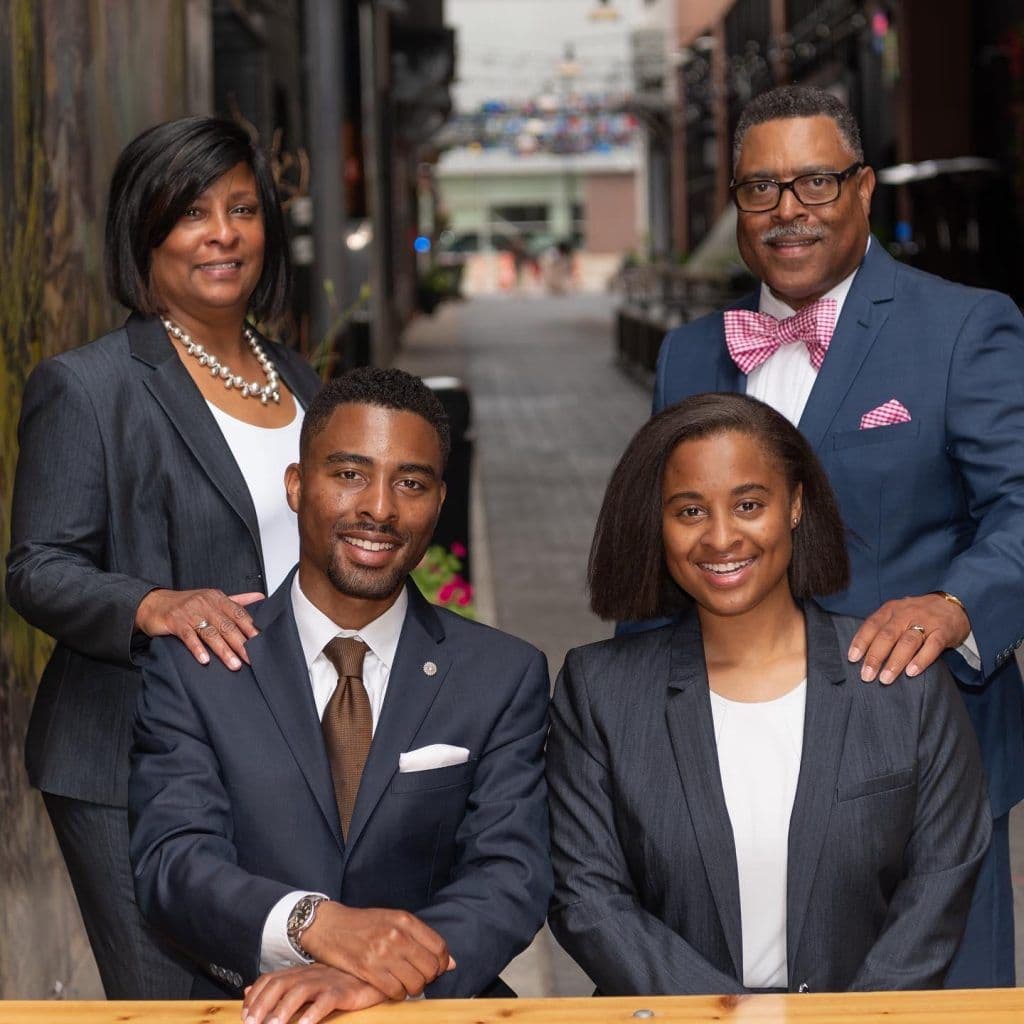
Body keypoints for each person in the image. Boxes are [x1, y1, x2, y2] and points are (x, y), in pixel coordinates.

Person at [651, 84, 1024, 987]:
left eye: (816, 182)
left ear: (863, 189)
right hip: (729, 765)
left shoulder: (963, 327)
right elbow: (666, 549)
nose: (789, 211)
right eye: (761, 188)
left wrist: (953, 604)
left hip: (921, 763)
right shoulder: (690, 353)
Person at [6, 116, 322, 998]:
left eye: (243, 209)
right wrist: (154, 605)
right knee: (170, 1009)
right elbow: (36, 566)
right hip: (129, 760)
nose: (223, 234)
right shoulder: (89, 387)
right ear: (142, 233)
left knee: (278, 999)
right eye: (191, 213)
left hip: (279, 752)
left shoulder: (302, 382)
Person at [128, 368, 551, 1021]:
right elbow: (173, 863)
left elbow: (511, 876)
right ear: (298, 487)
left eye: (409, 483)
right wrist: (312, 925)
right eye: (350, 474)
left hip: (431, 1009)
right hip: (248, 1008)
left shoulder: (501, 674)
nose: (379, 507)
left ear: (440, 499)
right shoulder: (200, 666)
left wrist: (385, 976)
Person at [549, 392, 990, 995]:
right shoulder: (598, 690)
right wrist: (727, 1017)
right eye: (689, 512)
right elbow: (587, 898)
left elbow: (941, 880)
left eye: (749, 504)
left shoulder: (902, 682)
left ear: (796, 505)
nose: (722, 537)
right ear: (658, 525)